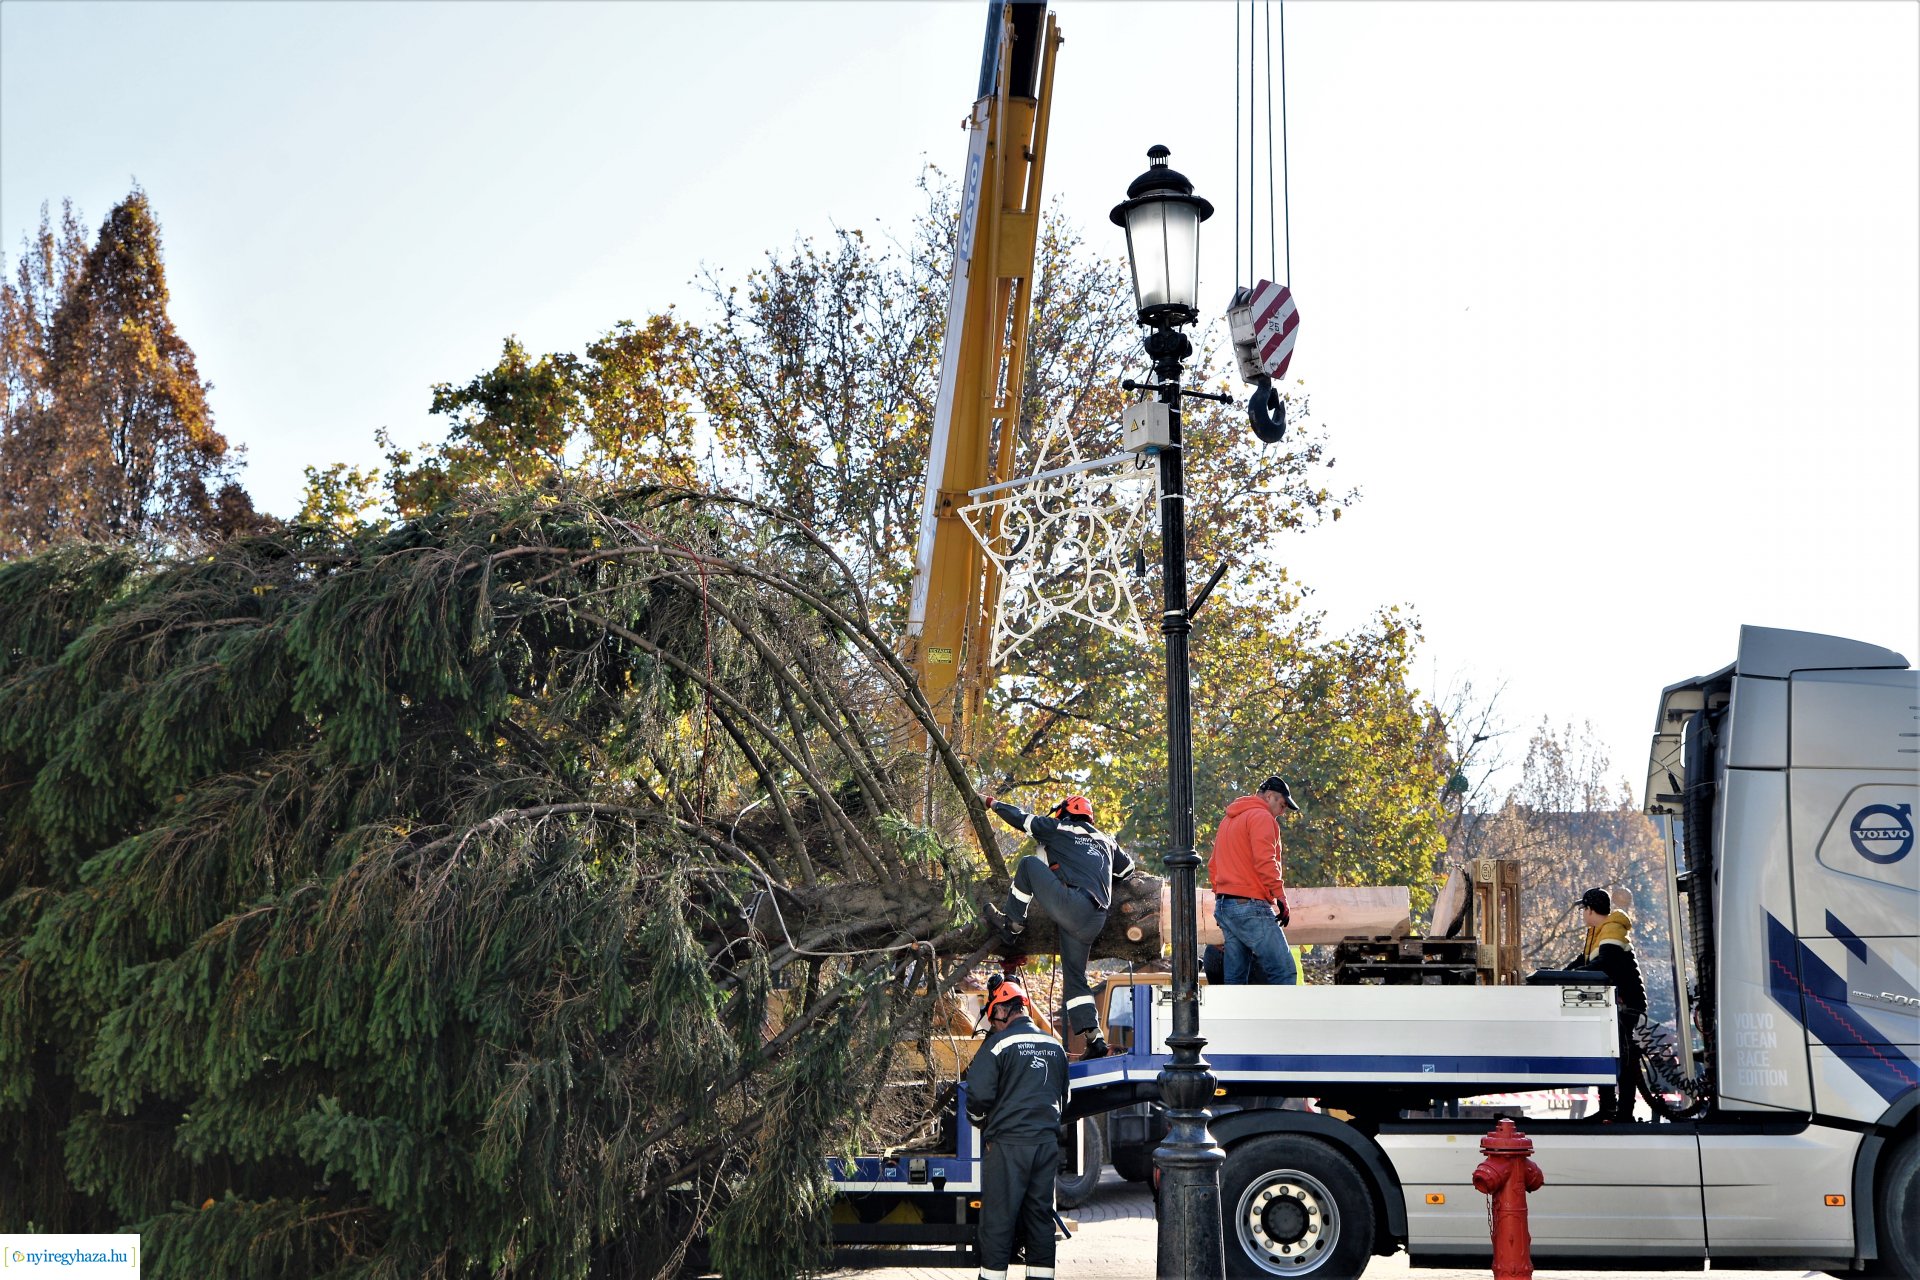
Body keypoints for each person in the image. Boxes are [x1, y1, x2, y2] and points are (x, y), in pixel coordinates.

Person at [980, 793, 1136, 1058]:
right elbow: (1127, 869)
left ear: (1065, 812)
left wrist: (992, 803)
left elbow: (1021, 819)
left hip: (1072, 905)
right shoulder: (1107, 840)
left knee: (1028, 864)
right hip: (1095, 919)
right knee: (1075, 979)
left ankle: (1013, 925)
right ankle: (1095, 1040)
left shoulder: (1058, 827)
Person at [966, 978, 1069, 1280]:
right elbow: (1066, 1099)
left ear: (1002, 1010)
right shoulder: (1055, 1045)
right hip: (1046, 1144)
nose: (992, 1023)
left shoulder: (999, 1045)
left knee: (998, 1218)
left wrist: (978, 1121)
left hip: (1009, 1146)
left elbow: (978, 1095)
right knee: (1039, 1217)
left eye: (992, 1015)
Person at [1206, 774, 1302, 985]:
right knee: (1284, 972)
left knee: (1235, 979)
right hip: (1250, 906)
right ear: (1269, 796)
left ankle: (1236, 1019)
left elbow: (1213, 865)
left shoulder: (1229, 820)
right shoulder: (1262, 817)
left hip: (1226, 906)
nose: (1282, 812)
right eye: (1282, 805)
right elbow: (1266, 861)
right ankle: (1284, 1019)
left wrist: (1222, 897)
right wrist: (1281, 898)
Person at [1568, 886, 1647, 1122]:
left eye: (1584, 910)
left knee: (1621, 1057)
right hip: (1613, 1005)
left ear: (1590, 910)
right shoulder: (1597, 932)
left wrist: (1573, 974)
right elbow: (1583, 961)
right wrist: (1562, 973)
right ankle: (1609, 1110)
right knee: (1606, 1054)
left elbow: (1605, 964)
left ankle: (1623, 1113)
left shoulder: (1611, 930)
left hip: (1624, 1004)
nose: (1582, 915)